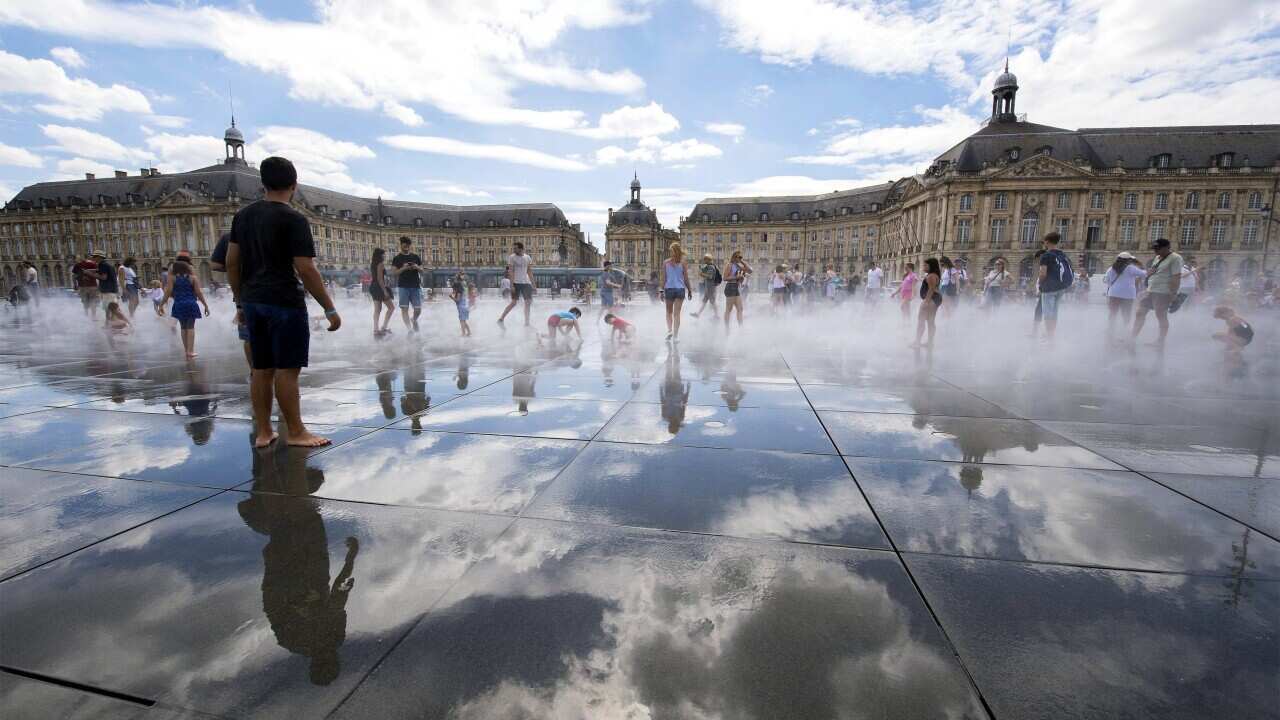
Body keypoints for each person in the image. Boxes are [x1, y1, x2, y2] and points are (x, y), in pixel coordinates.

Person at [226, 155, 341, 449]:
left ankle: (264, 432)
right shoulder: (294, 219)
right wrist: (329, 308)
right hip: (284, 300)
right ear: (294, 184)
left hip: (253, 301)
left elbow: (231, 263)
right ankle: (296, 431)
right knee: (287, 369)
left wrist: (240, 302)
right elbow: (305, 268)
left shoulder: (243, 217)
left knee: (260, 369)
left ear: (263, 183)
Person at [1131, 238, 1182, 349]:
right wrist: (1147, 288)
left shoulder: (1175, 258)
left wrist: (1173, 294)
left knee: (1161, 316)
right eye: (1154, 248)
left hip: (1163, 292)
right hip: (1151, 291)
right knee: (1140, 313)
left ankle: (1160, 341)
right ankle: (1132, 338)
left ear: (1166, 247)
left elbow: (1176, 277)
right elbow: (1154, 274)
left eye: (1158, 248)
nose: (1155, 251)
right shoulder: (1158, 257)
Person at [159, 260, 211, 359]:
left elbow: (168, 292)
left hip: (179, 304)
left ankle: (186, 350)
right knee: (190, 327)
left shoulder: (172, 278)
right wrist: (205, 305)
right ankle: (191, 351)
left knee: (183, 327)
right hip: (191, 304)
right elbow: (199, 293)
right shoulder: (193, 278)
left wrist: (161, 304)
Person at [1037, 233, 1074, 342]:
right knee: (1054, 312)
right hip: (1061, 287)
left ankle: (1050, 338)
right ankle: (1052, 335)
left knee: (1048, 314)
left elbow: (1043, 273)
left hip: (1049, 287)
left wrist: (1039, 284)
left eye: (1044, 241)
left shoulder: (1046, 255)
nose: (1044, 243)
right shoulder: (1062, 254)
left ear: (1047, 241)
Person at [1103, 252, 1145, 339]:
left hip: (1114, 294)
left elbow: (1106, 280)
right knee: (1126, 315)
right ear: (1128, 260)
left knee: (1112, 314)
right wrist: (1140, 264)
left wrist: (1114, 286)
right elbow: (1144, 273)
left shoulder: (1111, 268)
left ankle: (1110, 333)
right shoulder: (1130, 268)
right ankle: (1124, 333)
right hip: (1128, 295)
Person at [390, 236, 423, 333]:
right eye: (404, 246)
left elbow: (422, 271)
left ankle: (414, 319)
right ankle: (409, 330)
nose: (406, 247)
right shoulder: (397, 258)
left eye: (408, 246)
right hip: (403, 287)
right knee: (404, 309)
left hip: (415, 286)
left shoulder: (415, 257)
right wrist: (404, 268)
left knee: (418, 309)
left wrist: (416, 267)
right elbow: (394, 273)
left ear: (410, 246)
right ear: (400, 245)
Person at [498, 241, 535, 326]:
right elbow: (511, 272)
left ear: (521, 249)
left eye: (515, 248)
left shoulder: (528, 257)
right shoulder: (512, 257)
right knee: (514, 302)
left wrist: (534, 285)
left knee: (528, 302)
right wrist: (511, 285)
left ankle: (527, 322)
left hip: (526, 282)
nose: (514, 250)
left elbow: (529, 272)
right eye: (513, 248)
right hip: (516, 283)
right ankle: (501, 319)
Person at [1212, 305, 1253, 381]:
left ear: (1223, 314)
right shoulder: (1236, 318)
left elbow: (1231, 333)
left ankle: (1237, 352)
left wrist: (1235, 347)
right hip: (1246, 338)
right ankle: (1236, 359)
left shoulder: (1231, 320)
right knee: (1227, 349)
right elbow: (1245, 327)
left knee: (1216, 335)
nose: (1221, 319)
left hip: (1243, 339)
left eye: (1220, 317)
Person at [661, 242, 691, 342]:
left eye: (671, 251)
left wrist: (690, 290)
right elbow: (664, 278)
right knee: (674, 313)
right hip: (677, 289)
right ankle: (673, 334)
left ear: (675, 251)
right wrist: (689, 289)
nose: (670, 253)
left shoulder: (667, 262)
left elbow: (686, 278)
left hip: (672, 289)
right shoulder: (681, 263)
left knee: (672, 313)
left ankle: (672, 333)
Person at [913, 257, 942, 348]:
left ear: (931, 266)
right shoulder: (932, 275)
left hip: (931, 298)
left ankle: (917, 342)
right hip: (935, 298)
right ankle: (930, 342)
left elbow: (931, 289)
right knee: (930, 321)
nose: (923, 266)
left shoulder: (931, 276)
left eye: (926, 265)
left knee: (921, 320)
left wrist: (926, 302)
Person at [723, 251, 752, 334]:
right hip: (730, 287)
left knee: (740, 309)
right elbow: (724, 278)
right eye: (738, 257)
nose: (740, 258)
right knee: (729, 309)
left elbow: (750, 271)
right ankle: (727, 329)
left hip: (736, 287)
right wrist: (736, 277)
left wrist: (742, 261)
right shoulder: (730, 265)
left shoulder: (739, 266)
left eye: (741, 257)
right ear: (734, 257)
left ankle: (741, 328)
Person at [368, 248, 394, 337]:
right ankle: (384, 327)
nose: (385, 256)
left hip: (373, 287)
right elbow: (380, 279)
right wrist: (385, 291)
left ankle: (376, 330)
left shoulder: (373, 264)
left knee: (377, 310)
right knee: (391, 308)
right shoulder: (380, 264)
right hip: (379, 287)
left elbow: (376, 278)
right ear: (380, 255)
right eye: (383, 254)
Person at [690, 254, 721, 319]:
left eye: (705, 259)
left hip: (710, 287)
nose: (704, 260)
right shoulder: (709, 266)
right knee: (704, 302)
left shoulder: (711, 267)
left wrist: (702, 274)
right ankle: (698, 314)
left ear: (708, 259)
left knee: (712, 301)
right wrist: (702, 269)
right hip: (708, 287)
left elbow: (710, 276)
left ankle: (717, 315)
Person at [74, 252, 101, 318]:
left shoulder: (77, 265)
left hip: (82, 287)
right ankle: (93, 316)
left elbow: (74, 275)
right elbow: (98, 273)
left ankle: (86, 315)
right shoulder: (93, 263)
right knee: (93, 301)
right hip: (93, 286)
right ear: (88, 257)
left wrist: (75, 285)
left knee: (85, 302)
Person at [451, 273, 471, 337]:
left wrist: (451, 297)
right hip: (464, 307)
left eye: (454, 288)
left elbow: (457, 300)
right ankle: (469, 332)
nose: (453, 290)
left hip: (462, 308)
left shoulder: (459, 292)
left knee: (462, 321)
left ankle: (463, 333)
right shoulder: (461, 290)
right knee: (463, 321)